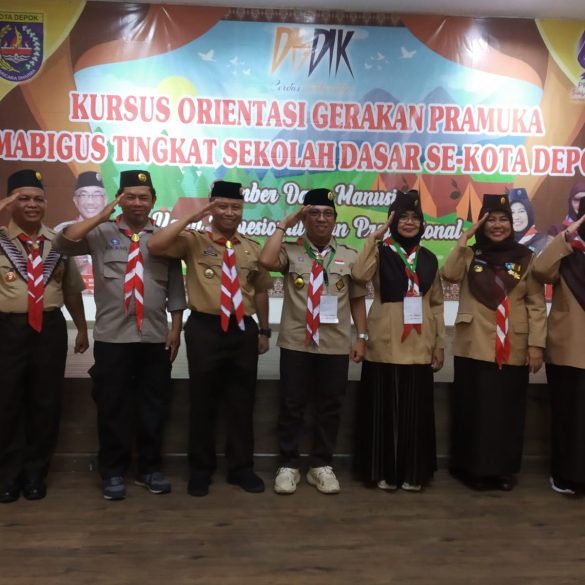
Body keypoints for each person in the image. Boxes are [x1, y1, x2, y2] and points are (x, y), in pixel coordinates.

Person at [53, 170, 186, 500]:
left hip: (154, 337)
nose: (137, 203)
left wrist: (176, 328)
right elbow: (62, 243)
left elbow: (175, 287)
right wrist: (100, 216)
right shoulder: (101, 232)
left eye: (144, 197)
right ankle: (112, 471)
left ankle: (149, 469)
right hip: (113, 338)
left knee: (153, 406)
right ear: (119, 199)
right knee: (112, 406)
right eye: (130, 196)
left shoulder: (164, 237)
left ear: (153, 200)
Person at [147, 180, 272, 497]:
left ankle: (241, 469)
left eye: (236, 207)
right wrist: (193, 216)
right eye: (222, 206)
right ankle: (200, 470)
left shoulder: (251, 247)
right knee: (202, 401)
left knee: (242, 403)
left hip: (243, 329)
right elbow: (155, 245)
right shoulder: (193, 240)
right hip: (205, 328)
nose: (229, 212)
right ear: (212, 208)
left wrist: (264, 329)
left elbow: (260, 291)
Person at [259, 188, 367, 495]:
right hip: (297, 342)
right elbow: (265, 261)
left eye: (327, 213)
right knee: (291, 404)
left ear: (335, 219)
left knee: (330, 406)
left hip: (335, 343)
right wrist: (284, 224)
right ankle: (288, 465)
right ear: (304, 218)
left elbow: (357, 299)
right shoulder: (290, 251)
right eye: (314, 213)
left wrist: (361, 337)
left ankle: (321, 465)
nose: (321, 219)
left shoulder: (349, 255)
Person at [441, 194, 546, 491]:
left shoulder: (526, 257)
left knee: (507, 411)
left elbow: (536, 303)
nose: (497, 225)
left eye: (503, 220)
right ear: (481, 224)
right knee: (472, 408)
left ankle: (503, 471)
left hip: (512, 344)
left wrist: (536, 345)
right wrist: (465, 238)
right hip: (473, 343)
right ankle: (469, 468)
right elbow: (448, 274)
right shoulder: (469, 254)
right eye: (491, 220)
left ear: (512, 224)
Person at [0, 169, 88, 504]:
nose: (32, 204)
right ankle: (8, 476)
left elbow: (72, 291)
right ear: (10, 202)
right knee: (7, 402)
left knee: (46, 402)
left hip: (49, 327)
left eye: (38, 198)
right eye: (23, 198)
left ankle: (35, 474)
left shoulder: (58, 243)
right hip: (7, 329)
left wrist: (81, 327)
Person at [351, 190, 445, 492]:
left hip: (420, 342)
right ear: (392, 220)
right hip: (385, 342)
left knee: (415, 413)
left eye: (415, 217)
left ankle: (413, 472)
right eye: (402, 217)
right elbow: (358, 275)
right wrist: (374, 238)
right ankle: (383, 470)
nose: (409, 222)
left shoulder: (428, 258)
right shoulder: (380, 252)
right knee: (384, 411)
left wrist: (440, 343)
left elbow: (436, 303)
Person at [533, 199, 585, 495]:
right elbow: (540, 270)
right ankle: (566, 476)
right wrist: (566, 236)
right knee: (568, 417)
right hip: (568, 351)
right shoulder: (567, 251)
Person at [55, 171, 108, 293]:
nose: (90, 202)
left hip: (109, 299)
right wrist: (69, 265)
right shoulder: (61, 232)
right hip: (73, 296)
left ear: (105, 200)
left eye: (97, 195)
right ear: (75, 201)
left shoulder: (115, 231)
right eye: (84, 195)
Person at [509, 188, 547, 255]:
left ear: (529, 214)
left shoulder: (542, 241)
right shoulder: (503, 241)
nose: (516, 217)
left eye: (521, 211)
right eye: (512, 212)